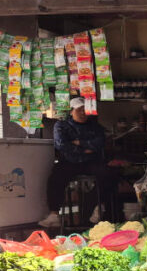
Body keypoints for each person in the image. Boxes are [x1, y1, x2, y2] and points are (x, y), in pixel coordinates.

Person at [39, 97, 113, 228]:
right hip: (69, 162)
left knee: (107, 174)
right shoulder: (61, 126)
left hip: (90, 162)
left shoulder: (95, 126)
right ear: (71, 111)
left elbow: (100, 142)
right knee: (55, 178)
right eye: (80, 110)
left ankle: (98, 207)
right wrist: (86, 149)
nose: (84, 113)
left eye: (85, 110)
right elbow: (61, 145)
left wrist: (79, 143)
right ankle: (54, 214)